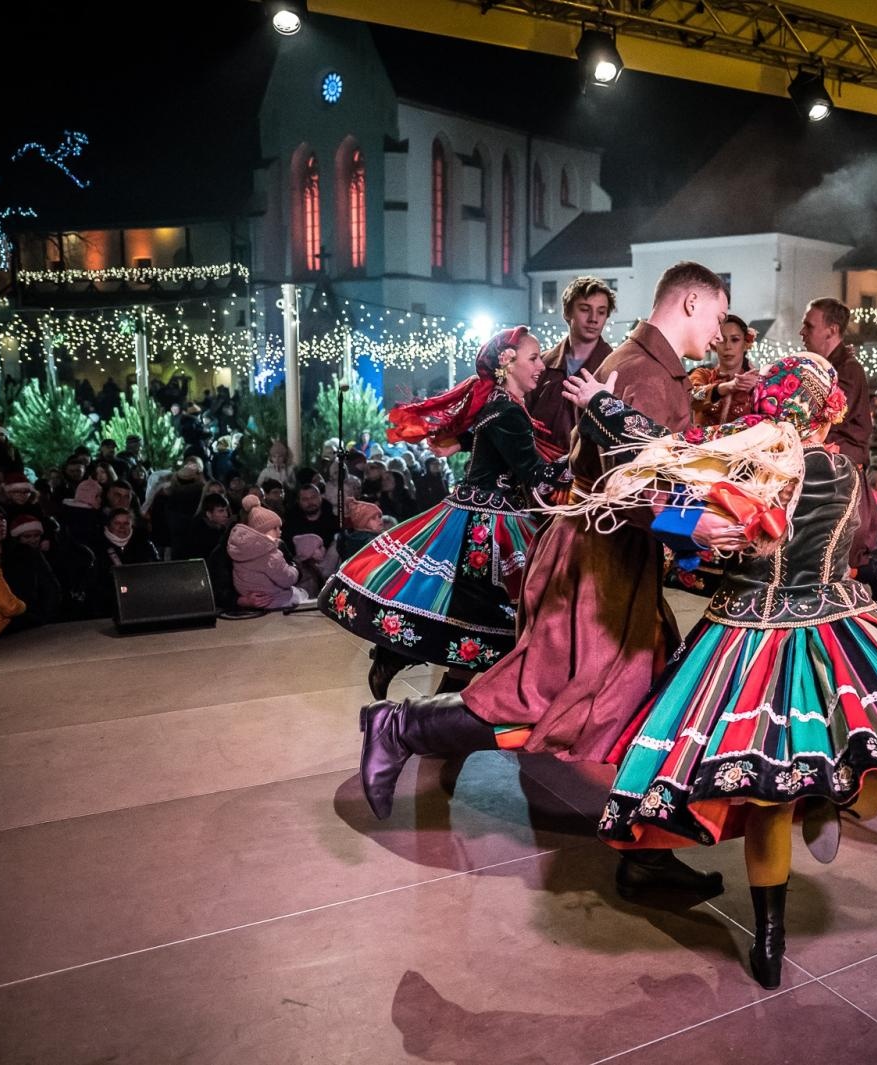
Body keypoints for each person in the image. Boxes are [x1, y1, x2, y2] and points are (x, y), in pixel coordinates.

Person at [561, 355, 877, 989]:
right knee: (856, 750)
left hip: (745, 636)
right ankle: (828, 803)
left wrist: (603, 405)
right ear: (827, 411)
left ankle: (770, 936)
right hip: (834, 628)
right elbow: (841, 541)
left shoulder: (752, 464)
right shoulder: (841, 469)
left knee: (764, 789)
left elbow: (666, 463)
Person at [356, 261, 732, 902]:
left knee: (640, 701)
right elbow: (628, 486)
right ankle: (400, 728)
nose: (723, 331)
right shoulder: (643, 373)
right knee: (538, 699)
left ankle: (646, 855)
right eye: (720, 315)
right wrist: (691, 527)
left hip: (612, 563)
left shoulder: (645, 365)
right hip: (595, 566)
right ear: (692, 301)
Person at [323, 326, 571, 699]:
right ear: (507, 362)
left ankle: (421, 693)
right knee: (487, 621)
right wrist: (585, 461)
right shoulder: (509, 412)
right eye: (534, 358)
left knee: (474, 621)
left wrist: (460, 442)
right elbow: (536, 474)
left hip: (484, 516)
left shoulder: (502, 405)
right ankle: (431, 705)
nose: (541, 365)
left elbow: (490, 436)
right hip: (488, 528)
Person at [799, 298, 877, 571]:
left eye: (809, 326)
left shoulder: (846, 371)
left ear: (831, 330)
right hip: (828, 470)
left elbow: (818, 420)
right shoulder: (828, 367)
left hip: (839, 476)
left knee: (834, 559)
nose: (802, 332)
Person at [526, 276, 616, 453]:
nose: (593, 319)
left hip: (586, 474)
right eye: (585, 309)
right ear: (567, 312)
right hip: (538, 469)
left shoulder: (613, 367)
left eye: (601, 312)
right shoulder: (542, 364)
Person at [228, 495, 309, 609]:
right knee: (303, 594)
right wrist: (295, 570)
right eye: (275, 528)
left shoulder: (240, 549)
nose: (280, 531)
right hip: (274, 600)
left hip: (250, 596)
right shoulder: (270, 556)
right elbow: (287, 579)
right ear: (262, 532)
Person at [687, 314, 759, 425]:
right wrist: (727, 387)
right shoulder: (702, 375)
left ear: (745, 344)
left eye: (735, 340)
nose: (728, 346)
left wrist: (759, 389)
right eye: (721, 340)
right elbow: (691, 398)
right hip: (704, 442)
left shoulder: (758, 381)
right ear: (714, 344)